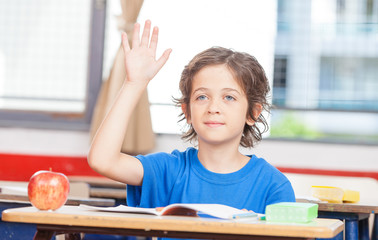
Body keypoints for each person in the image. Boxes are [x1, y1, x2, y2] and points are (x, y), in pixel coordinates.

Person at [88, 20, 295, 222]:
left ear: (253, 113)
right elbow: (102, 160)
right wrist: (134, 84)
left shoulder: (273, 186)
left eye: (229, 97)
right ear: (187, 111)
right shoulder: (167, 170)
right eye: (202, 97)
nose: (213, 108)